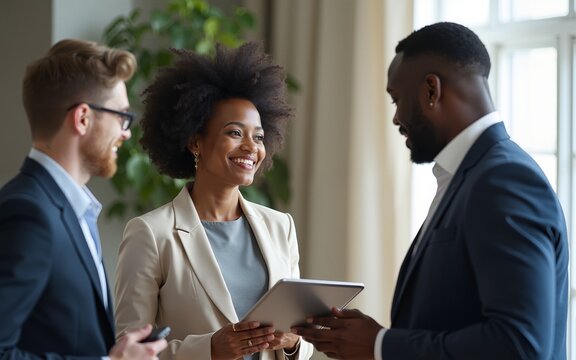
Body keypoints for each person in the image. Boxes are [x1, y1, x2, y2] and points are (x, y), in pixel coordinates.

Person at [292, 21, 568, 360]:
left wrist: (380, 346)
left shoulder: (504, 180)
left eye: (396, 99)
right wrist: (371, 338)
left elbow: (519, 346)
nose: (395, 118)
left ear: (431, 90)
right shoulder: (471, 174)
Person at [113, 41, 313, 360]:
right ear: (195, 141)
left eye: (259, 136)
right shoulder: (150, 233)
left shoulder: (280, 227)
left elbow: (300, 341)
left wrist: (293, 343)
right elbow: (129, 351)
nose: (251, 147)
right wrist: (209, 349)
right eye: (235, 133)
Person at [0, 39, 168, 360]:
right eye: (121, 116)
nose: (126, 132)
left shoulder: (71, 210)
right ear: (82, 118)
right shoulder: (29, 214)